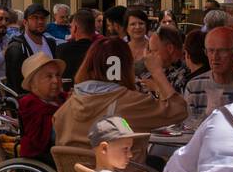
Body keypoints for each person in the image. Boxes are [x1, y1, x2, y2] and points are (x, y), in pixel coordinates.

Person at [52, 38, 188, 150]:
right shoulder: (131, 102)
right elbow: (179, 110)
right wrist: (157, 72)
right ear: (126, 66)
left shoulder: (65, 110)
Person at [17, 53, 65, 165]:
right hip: (48, 157)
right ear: (33, 84)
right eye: (49, 76)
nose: (56, 80)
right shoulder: (30, 104)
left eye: (58, 75)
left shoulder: (63, 98)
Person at [185, 26, 233, 124]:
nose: (215, 57)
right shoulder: (194, 86)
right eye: (211, 51)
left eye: (222, 51)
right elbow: (188, 125)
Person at [3, 3, 58, 95]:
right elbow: (15, 83)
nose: (40, 21)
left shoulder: (51, 43)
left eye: (42, 18)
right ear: (25, 22)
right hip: (28, 99)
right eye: (35, 18)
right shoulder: (17, 48)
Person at [56, 7, 97, 83]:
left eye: (71, 27)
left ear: (75, 28)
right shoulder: (100, 51)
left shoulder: (62, 50)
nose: (70, 30)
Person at [146, 25, 189, 95]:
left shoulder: (185, 74)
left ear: (170, 48)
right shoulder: (166, 67)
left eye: (154, 51)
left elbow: (175, 100)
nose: (151, 56)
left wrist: (156, 88)